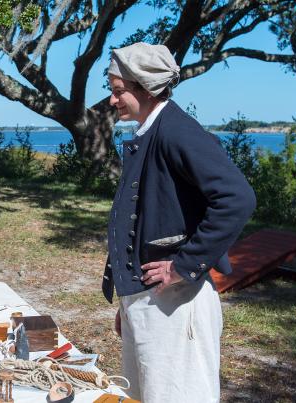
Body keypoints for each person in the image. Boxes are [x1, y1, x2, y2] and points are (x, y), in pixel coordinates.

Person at [101, 43, 256, 403]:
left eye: (118, 91)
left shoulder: (177, 132)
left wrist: (184, 266)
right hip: (149, 302)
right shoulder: (150, 132)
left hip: (175, 305)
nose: (113, 101)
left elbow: (238, 198)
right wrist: (129, 302)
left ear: (146, 87)